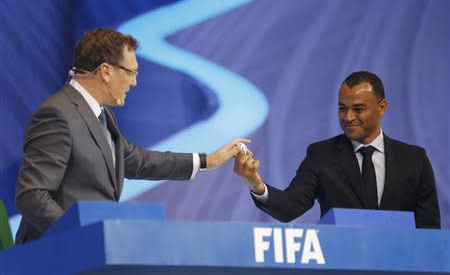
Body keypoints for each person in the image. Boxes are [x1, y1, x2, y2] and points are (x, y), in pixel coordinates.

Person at [15, 28, 249, 244]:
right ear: (106, 71)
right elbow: (32, 196)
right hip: (57, 256)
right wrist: (78, 236)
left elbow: (137, 161)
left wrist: (208, 160)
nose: (134, 82)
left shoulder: (102, 115)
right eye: (131, 72)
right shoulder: (57, 114)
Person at [234, 71, 440, 229]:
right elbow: (290, 207)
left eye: (358, 109)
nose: (348, 117)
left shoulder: (414, 160)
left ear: (382, 107)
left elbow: (430, 231)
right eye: (342, 108)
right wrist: (256, 184)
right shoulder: (321, 155)